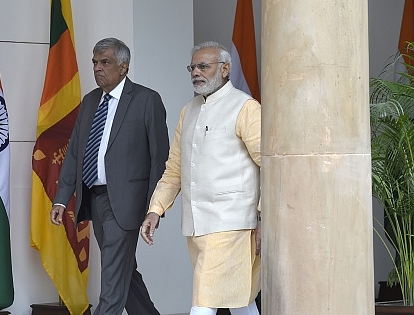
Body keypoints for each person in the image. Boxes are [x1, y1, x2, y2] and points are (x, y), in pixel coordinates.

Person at [140, 41, 262, 315]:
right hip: (196, 224)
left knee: (203, 299)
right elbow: (174, 169)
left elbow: (268, 165)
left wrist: (264, 218)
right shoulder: (189, 110)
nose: (196, 72)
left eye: (203, 66)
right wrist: (155, 209)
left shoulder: (245, 108)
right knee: (237, 299)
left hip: (231, 223)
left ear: (226, 69)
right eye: (192, 67)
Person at [50, 37, 169, 315]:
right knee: (125, 272)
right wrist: (61, 199)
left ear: (123, 67)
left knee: (113, 280)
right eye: (95, 62)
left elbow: (159, 159)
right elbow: (76, 155)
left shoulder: (146, 100)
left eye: (106, 62)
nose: (98, 68)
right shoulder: (90, 101)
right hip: (96, 200)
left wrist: (155, 207)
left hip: (128, 203)